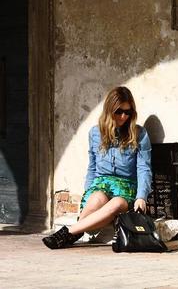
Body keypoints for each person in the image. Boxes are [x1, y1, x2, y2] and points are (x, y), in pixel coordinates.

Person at [42, 86, 152, 249]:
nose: (123, 116)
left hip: (126, 189)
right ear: (109, 110)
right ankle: (76, 232)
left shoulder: (139, 134)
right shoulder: (95, 133)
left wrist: (141, 196)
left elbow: (144, 168)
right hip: (101, 184)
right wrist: (88, 191)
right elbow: (92, 167)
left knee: (117, 203)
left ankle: (70, 232)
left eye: (128, 112)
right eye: (119, 111)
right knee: (97, 197)